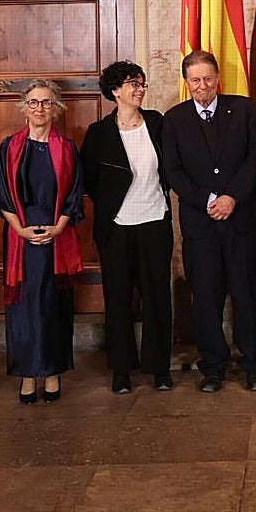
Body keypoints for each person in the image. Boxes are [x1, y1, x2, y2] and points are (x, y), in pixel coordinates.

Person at [162, 50, 256, 392]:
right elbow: (172, 170)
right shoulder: (174, 119)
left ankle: (254, 365)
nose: (202, 86)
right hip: (201, 223)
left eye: (208, 78)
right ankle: (213, 367)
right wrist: (208, 199)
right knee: (206, 298)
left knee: (247, 295)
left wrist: (231, 197)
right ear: (187, 82)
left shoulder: (242, 109)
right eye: (195, 80)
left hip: (242, 220)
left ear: (217, 78)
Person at [80, 61, 174, 394]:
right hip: (116, 226)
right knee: (118, 298)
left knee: (158, 298)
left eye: (142, 83)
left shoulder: (159, 124)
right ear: (115, 90)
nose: (139, 89)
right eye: (132, 83)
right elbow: (90, 180)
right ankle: (121, 370)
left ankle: (159, 368)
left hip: (154, 221)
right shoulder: (99, 133)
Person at [0, 80, 85, 404]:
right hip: (21, 239)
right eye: (33, 102)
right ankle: (28, 374)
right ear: (24, 107)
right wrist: (20, 228)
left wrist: (58, 228)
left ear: (56, 108)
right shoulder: (10, 147)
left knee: (53, 307)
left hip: (56, 238)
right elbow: (1, 195)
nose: (40, 108)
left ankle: (54, 371)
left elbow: (74, 195)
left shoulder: (68, 148)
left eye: (46, 102)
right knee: (24, 308)